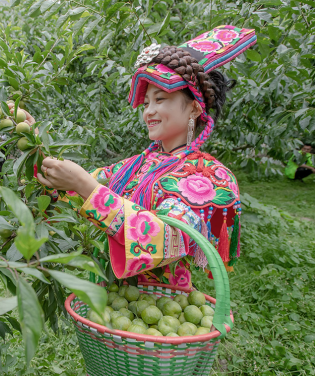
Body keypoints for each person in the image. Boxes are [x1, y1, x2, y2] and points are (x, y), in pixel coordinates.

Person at [34, 25, 257, 288]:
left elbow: (166, 239)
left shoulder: (207, 175)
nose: (148, 112)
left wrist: (86, 186)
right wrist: (35, 145)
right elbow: (66, 191)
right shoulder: (135, 166)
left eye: (160, 99)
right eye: (147, 102)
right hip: (108, 305)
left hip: (164, 314)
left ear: (195, 109)